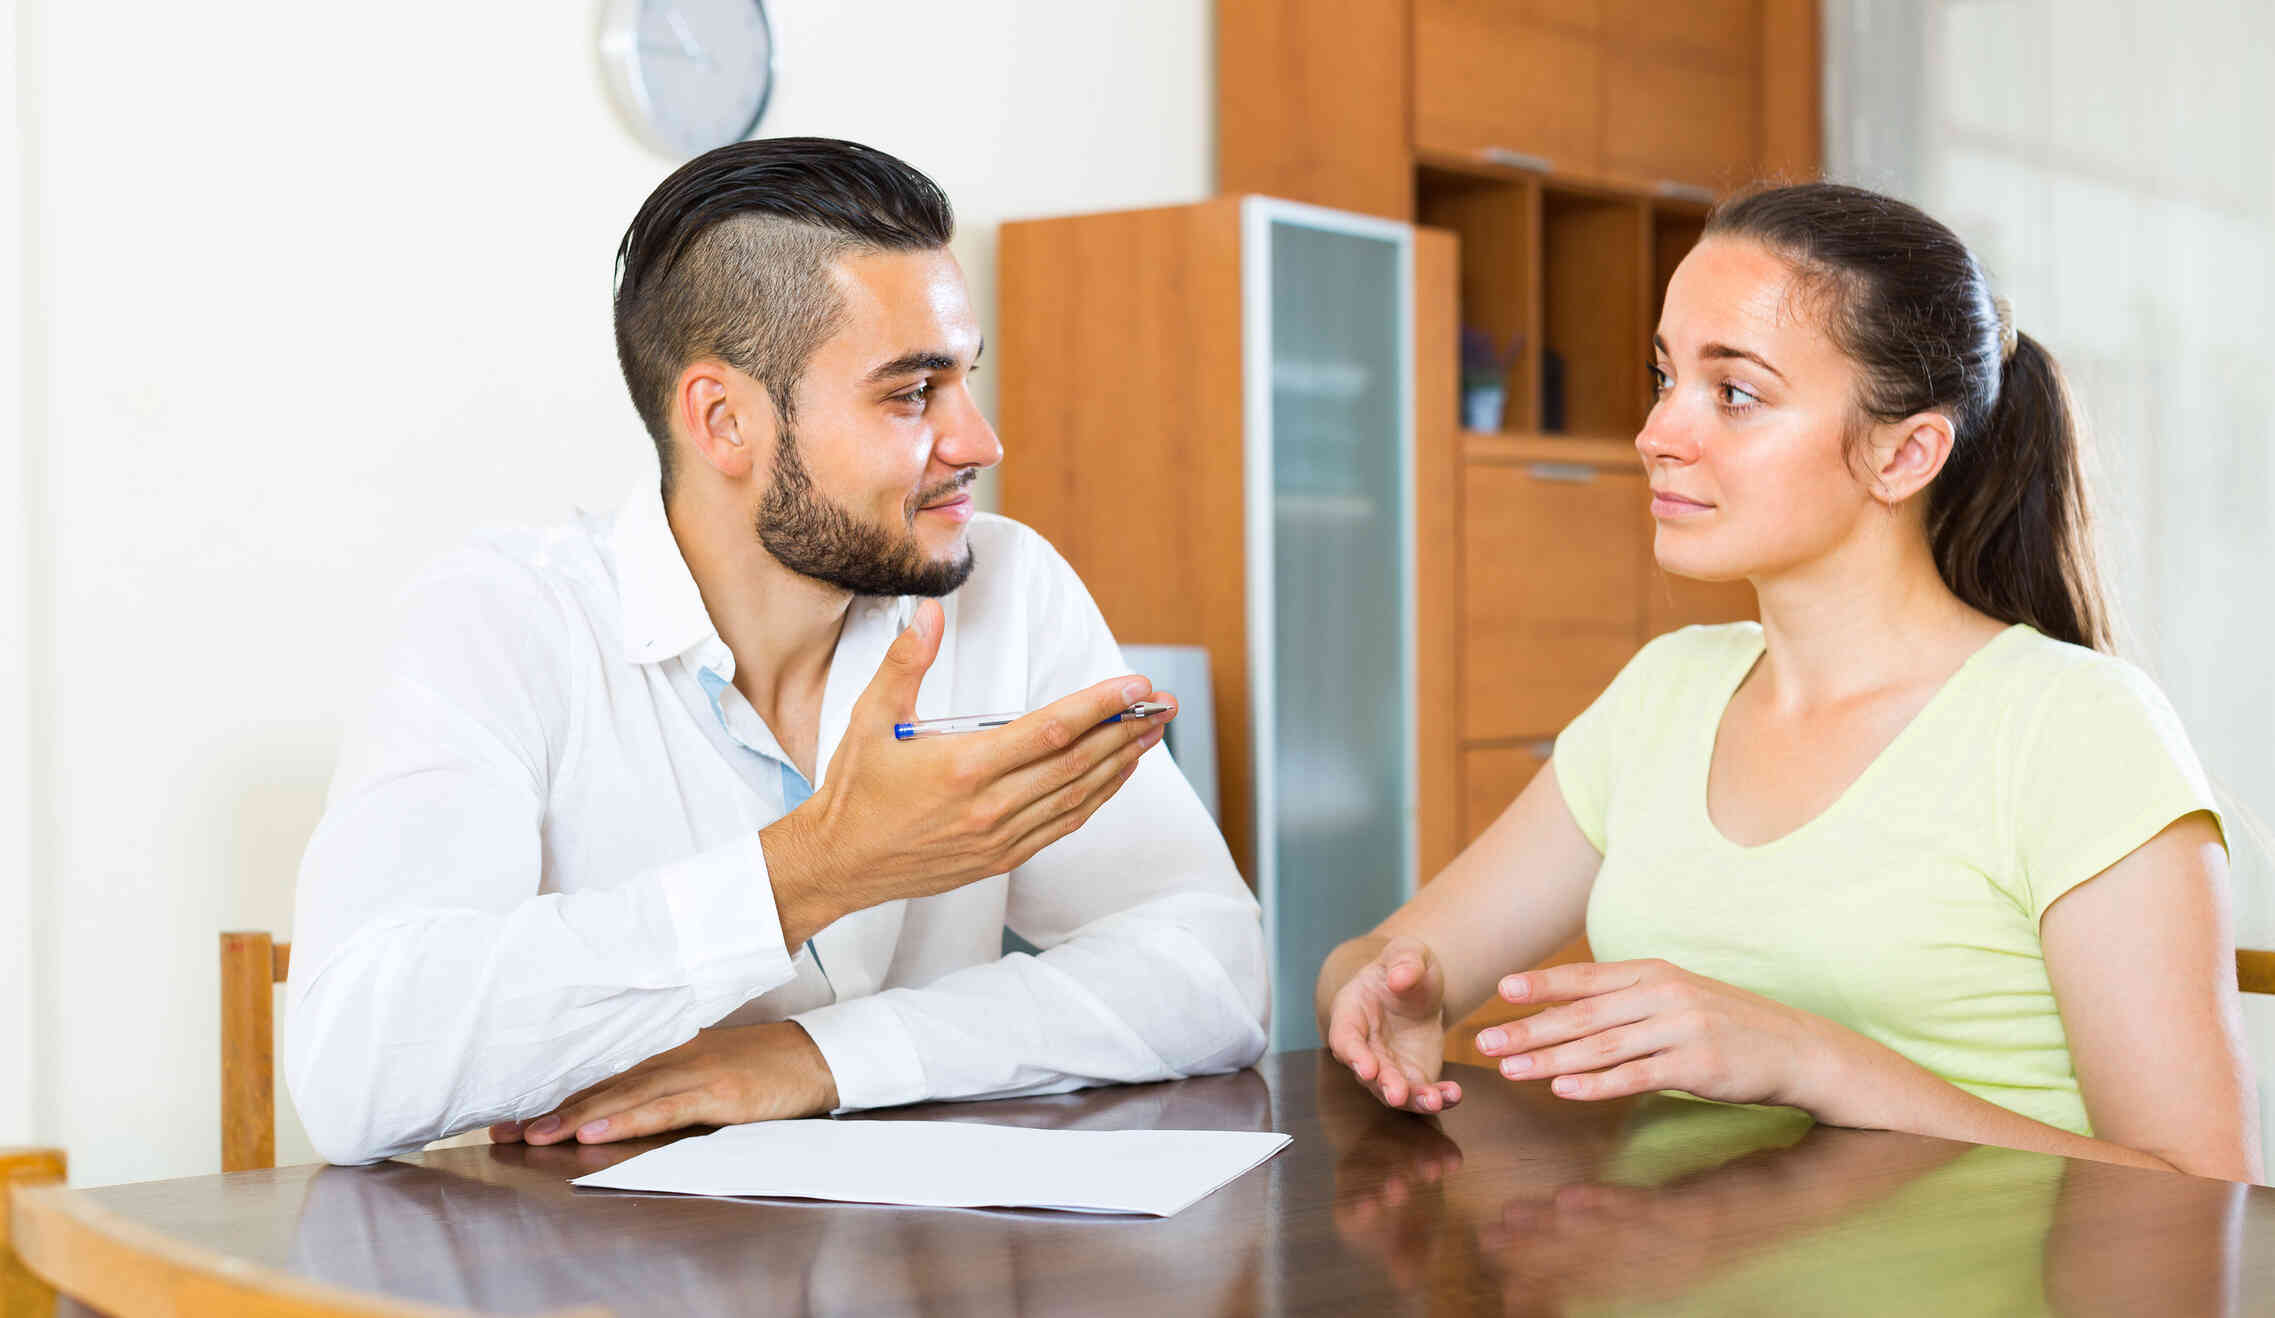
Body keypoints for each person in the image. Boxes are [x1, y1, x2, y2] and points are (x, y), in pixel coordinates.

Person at [284, 137, 1267, 1165]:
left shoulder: (1005, 588)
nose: (979, 441)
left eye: (965, 379)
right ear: (724, 421)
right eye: (910, 393)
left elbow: (1210, 967)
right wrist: (814, 868)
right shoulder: (498, 621)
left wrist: (819, 1056)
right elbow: (355, 1073)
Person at [1317, 182, 2259, 1182]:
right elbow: (1390, 957)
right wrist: (1378, 992)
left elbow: (2206, 1200)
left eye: (1734, 393)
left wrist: (1812, 1059)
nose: (1656, 432)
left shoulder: (2074, 727)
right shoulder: (1664, 695)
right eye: (1662, 374)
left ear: (1904, 453)